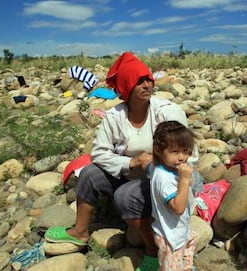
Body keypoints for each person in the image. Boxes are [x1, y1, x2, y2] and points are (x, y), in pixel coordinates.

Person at [45, 52, 197, 271]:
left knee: (125, 195)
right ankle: (80, 232)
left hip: (162, 179)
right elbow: (99, 153)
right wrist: (130, 163)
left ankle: (153, 249)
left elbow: (189, 155)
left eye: (148, 80)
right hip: (129, 173)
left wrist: (154, 164)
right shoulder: (115, 116)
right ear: (126, 86)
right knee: (89, 174)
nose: (146, 85)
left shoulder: (167, 112)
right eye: (138, 81)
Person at [150, 120, 197, 271]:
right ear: (158, 150)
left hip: (179, 230)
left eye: (186, 151)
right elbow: (177, 208)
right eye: (175, 152)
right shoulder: (165, 179)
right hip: (170, 237)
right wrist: (184, 179)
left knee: (188, 251)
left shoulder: (167, 168)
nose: (182, 157)